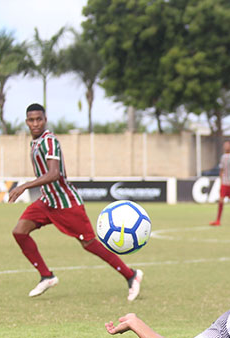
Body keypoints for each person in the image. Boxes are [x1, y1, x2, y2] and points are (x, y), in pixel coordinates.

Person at [8, 103, 143, 301]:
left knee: (89, 243)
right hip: (47, 201)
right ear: (26, 122)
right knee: (19, 232)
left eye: (39, 119)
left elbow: (54, 174)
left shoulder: (49, 141)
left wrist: (24, 186)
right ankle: (47, 276)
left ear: (45, 120)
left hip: (66, 203)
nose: (35, 123)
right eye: (31, 120)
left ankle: (131, 275)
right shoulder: (35, 143)